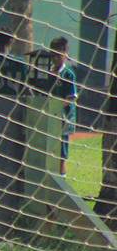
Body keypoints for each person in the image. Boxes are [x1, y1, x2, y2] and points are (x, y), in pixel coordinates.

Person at [47, 36, 78, 176]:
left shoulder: (68, 74)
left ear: (65, 54)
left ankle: (62, 180)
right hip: (49, 117)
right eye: (52, 54)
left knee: (61, 154)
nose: (54, 58)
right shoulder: (46, 72)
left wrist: (55, 107)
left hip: (63, 120)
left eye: (58, 55)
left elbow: (70, 98)